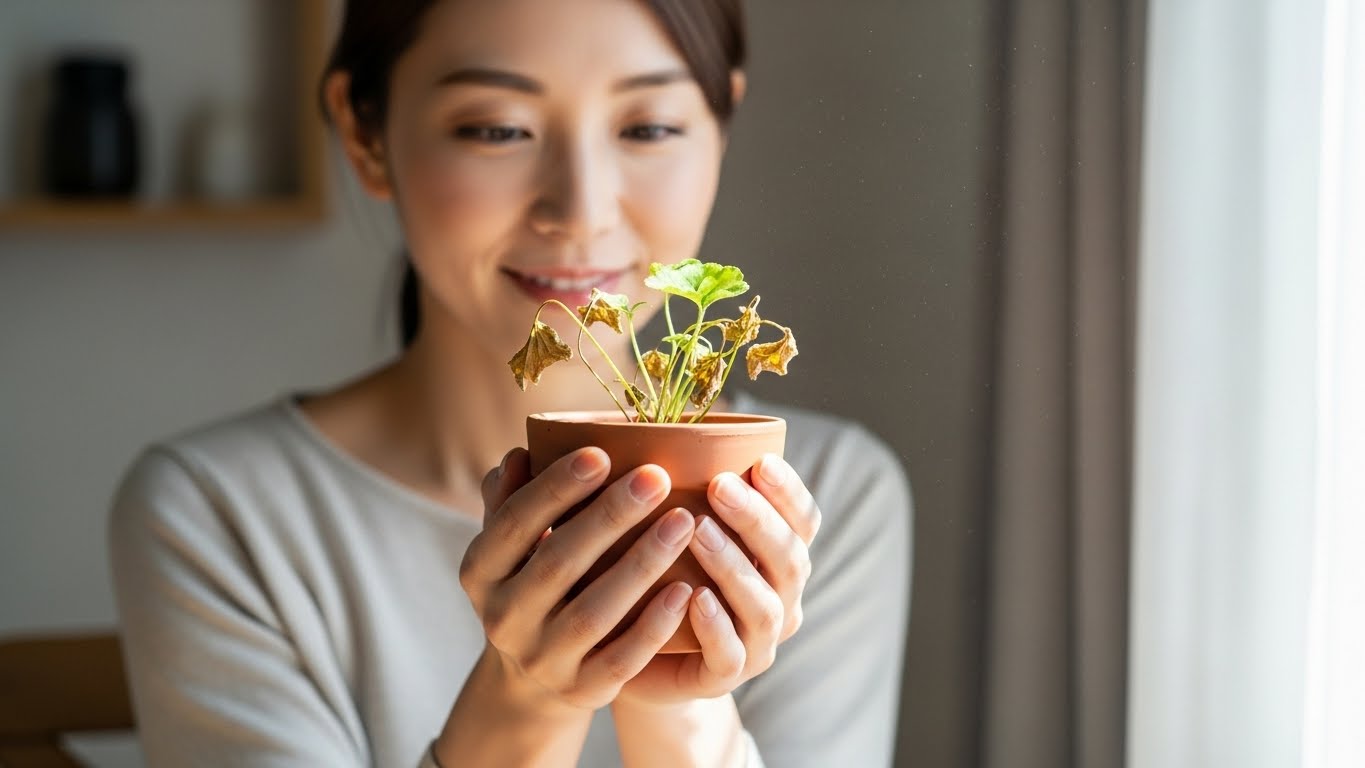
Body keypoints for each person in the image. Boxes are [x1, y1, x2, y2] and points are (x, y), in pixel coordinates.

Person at [108, 0, 913, 765]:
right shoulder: (220, 514)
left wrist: (678, 693)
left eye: (648, 126)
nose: (581, 210)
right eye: (498, 129)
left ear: (721, 126)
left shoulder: (821, 500)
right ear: (364, 132)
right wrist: (526, 699)